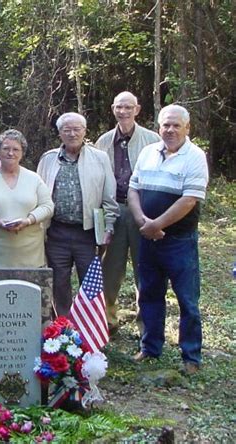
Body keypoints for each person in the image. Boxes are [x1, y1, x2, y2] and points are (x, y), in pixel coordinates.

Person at [128, 104, 209, 375]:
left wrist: (157, 225)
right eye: (166, 125)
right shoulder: (148, 152)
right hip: (148, 239)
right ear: (158, 127)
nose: (170, 130)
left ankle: (191, 356)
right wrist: (142, 222)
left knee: (187, 299)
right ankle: (150, 348)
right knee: (149, 294)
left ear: (188, 128)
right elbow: (133, 188)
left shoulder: (195, 156)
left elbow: (189, 200)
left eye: (176, 125)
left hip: (178, 241)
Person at [37, 112, 119, 316]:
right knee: (59, 282)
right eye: (67, 130)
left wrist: (108, 226)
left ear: (84, 131)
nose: (72, 134)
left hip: (88, 233)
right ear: (60, 134)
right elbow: (36, 195)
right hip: (57, 232)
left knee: (90, 284)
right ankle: (62, 331)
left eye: (77, 129)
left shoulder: (100, 158)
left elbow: (109, 197)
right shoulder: (48, 159)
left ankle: (89, 331)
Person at [95, 91, 161, 336]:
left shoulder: (152, 140)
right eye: (119, 107)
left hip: (142, 210)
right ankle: (107, 321)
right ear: (113, 108)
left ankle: (146, 324)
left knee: (144, 268)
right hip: (112, 209)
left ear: (138, 109)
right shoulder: (103, 141)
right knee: (110, 268)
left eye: (128, 107)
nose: (123, 111)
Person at [0, 129, 54, 268]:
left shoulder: (34, 179)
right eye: (6, 148)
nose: (10, 153)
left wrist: (28, 220)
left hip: (30, 256)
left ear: (22, 153)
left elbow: (48, 206)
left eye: (16, 149)